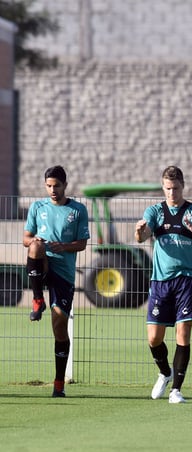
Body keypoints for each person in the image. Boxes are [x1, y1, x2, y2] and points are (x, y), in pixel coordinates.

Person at [136, 166, 192, 404]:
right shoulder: (155, 211)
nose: (171, 194)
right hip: (160, 281)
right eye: (167, 189)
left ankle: (176, 390)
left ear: (183, 186)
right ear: (163, 187)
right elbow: (143, 236)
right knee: (154, 338)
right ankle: (165, 373)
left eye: (175, 189)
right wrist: (139, 231)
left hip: (186, 280)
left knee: (183, 332)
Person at [23, 166, 90, 397]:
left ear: (65, 185)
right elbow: (26, 239)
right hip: (43, 263)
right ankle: (37, 299)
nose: (53, 190)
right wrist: (35, 239)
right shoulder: (37, 207)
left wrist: (65, 246)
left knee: (60, 325)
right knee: (36, 246)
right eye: (49, 186)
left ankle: (59, 383)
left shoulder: (78, 209)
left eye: (57, 186)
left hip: (64, 272)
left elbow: (82, 243)